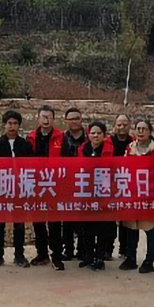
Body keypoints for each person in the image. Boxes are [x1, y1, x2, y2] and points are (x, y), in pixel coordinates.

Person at [0, 110, 34, 268]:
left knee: (19, 224)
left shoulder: (25, 145)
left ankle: (19, 256)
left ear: (19, 126)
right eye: (9, 123)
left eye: (15, 123)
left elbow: (31, 167)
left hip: (20, 188)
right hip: (2, 188)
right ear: (4, 125)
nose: (12, 126)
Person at [26, 105, 65, 270]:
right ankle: (42, 253)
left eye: (49, 116)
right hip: (36, 184)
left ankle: (57, 255)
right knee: (38, 221)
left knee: (55, 222)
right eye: (43, 116)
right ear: (38, 118)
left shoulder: (61, 137)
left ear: (53, 119)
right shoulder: (30, 138)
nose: (46, 119)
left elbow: (68, 160)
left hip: (54, 184)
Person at [122, 119, 154, 273]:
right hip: (132, 193)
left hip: (149, 194)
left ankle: (149, 260)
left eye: (144, 129)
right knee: (131, 227)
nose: (140, 131)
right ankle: (131, 258)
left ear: (150, 132)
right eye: (138, 128)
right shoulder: (129, 149)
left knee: (149, 228)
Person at [79, 121, 113, 270]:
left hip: (104, 192)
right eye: (93, 133)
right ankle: (88, 256)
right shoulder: (82, 149)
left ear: (104, 135)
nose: (96, 135)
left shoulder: (110, 150)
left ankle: (100, 257)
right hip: (86, 191)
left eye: (99, 133)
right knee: (87, 226)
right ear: (88, 134)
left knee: (102, 227)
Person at [61, 107, 88, 261]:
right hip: (67, 181)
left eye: (76, 118)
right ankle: (68, 249)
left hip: (85, 181)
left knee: (83, 217)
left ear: (81, 120)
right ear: (66, 121)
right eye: (70, 119)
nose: (74, 122)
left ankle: (83, 249)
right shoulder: (61, 138)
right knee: (67, 218)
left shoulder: (89, 137)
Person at [108, 114, 134, 260]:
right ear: (114, 126)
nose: (122, 127)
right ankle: (108, 249)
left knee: (126, 220)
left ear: (130, 126)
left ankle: (124, 249)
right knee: (109, 220)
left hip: (128, 185)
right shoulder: (108, 142)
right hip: (109, 184)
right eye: (119, 125)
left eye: (125, 124)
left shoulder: (134, 143)